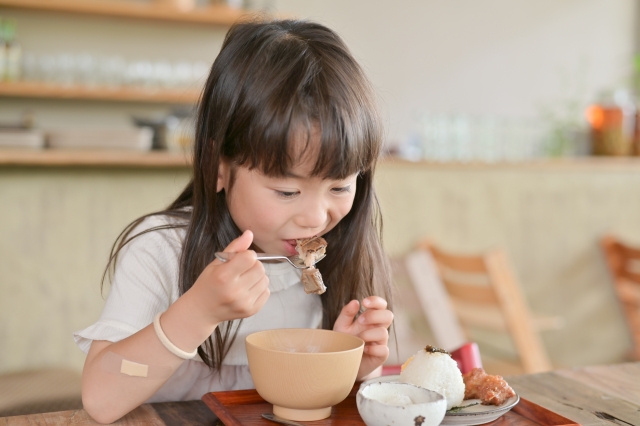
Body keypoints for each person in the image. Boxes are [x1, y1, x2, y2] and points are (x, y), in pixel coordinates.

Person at [74, 18, 394, 424]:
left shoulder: (339, 256)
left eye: (339, 187)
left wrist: (352, 365)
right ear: (218, 167)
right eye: (286, 192)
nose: (316, 217)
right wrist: (198, 311)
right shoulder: (160, 250)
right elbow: (101, 401)